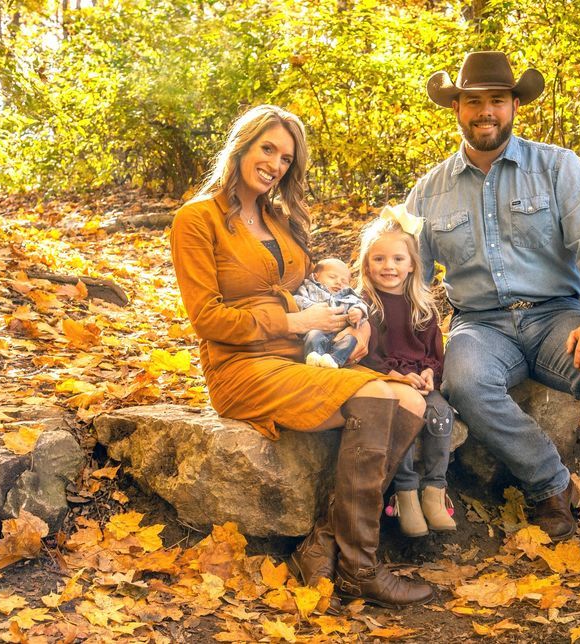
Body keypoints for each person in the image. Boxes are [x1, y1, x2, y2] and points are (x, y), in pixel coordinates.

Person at [407, 52, 580, 584]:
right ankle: (551, 484)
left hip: (556, 318)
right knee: (465, 381)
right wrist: (400, 350)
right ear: (457, 108)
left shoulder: (558, 166)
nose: (486, 111)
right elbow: (410, 282)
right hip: (481, 325)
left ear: (514, 104)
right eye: (473, 101)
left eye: (497, 100)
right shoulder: (428, 192)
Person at [170, 104, 432, 607]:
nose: (274, 163)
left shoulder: (280, 217)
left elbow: (313, 290)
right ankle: (361, 568)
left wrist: (354, 324)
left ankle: (323, 544)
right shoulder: (196, 219)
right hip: (241, 366)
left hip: (305, 355)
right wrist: (295, 323)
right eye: (267, 148)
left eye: (286, 158)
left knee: (414, 404)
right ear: (242, 146)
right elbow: (207, 320)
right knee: (377, 395)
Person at [356, 206, 456, 538]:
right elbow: (366, 357)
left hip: (421, 382)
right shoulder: (366, 306)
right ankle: (406, 493)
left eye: (398, 259)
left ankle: (435, 490)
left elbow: (434, 354)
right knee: (402, 415)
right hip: (390, 381)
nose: (389, 267)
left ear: (412, 264)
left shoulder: (422, 307)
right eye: (379, 259)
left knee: (440, 413)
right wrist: (396, 378)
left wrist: (430, 374)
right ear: (367, 265)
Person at [293, 257, 368, 368]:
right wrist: (314, 308)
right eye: (332, 277)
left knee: (351, 340)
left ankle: (334, 360)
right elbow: (297, 299)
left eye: (344, 281)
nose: (338, 282)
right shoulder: (309, 288)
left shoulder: (348, 295)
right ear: (316, 276)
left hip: (339, 334)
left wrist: (358, 312)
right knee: (314, 335)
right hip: (318, 328)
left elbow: (360, 304)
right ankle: (314, 356)